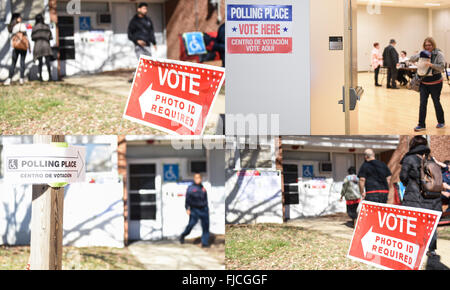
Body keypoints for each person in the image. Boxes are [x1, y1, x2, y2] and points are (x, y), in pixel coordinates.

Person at [400, 136, 445, 256]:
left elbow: (403, 177)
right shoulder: (431, 159)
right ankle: (431, 250)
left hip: (415, 196)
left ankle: (416, 248)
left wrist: (410, 183)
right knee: (431, 223)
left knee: (414, 222)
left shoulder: (409, 159)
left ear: (413, 145)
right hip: (433, 197)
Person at [409, 37, 446, 132]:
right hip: (424, 83)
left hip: (436, 83)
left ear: (433, 45)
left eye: (429, 45)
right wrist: (419, 54)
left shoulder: (439, 54)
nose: (427, 47)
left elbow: (442, 68)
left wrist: (431, 65)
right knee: (422, 104)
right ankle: (421, 124)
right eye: (426, 45)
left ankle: (441, 122)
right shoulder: (423, 53)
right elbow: (411, 59)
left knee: (436, 102)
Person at [127, 2, 157, 82]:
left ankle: (148, 79)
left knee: (149, 63)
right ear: (139, 9)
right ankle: (137, 78)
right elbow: (129, 34)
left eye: (146, 8)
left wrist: (154, 43)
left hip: (147, 45)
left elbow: (151, 32)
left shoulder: (148, 20)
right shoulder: (134, 21)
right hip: (139, 46)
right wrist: (137, 41)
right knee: (142, 62)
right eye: (144, 8)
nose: (145, 10)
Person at [180, 173, 210, 248]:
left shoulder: (203, 188)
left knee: (206, 227)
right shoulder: (191, 188)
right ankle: (183, 235)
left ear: (201, 179)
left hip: (204, 209)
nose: (198, 179)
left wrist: (207, 208)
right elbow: (187, 199)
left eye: (199, 178)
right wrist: (187, 208)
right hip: (194, 210)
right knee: (191, 225)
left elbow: (205, 199)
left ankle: (205, 243)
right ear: (194, 178)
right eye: (196, 178)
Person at [3, 13, 29, 86]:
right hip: (23, 46)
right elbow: (25, 33)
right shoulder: (21, 25)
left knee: (13, 63)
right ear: (16, 18)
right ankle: (21, 79)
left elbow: (11, 35)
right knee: (22, 62)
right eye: (19, 17)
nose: (21, 18)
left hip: (15, 46)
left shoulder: (12, 27)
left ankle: (9, 79)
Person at [31, 14, 53, 82]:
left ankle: (40, 77)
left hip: (38, 46)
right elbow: (50, 37)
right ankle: (50, 77)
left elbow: (32, 38)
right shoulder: (46, 27)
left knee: (40, 62)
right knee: (48, 62)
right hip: (46, 45)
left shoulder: (35, 27)